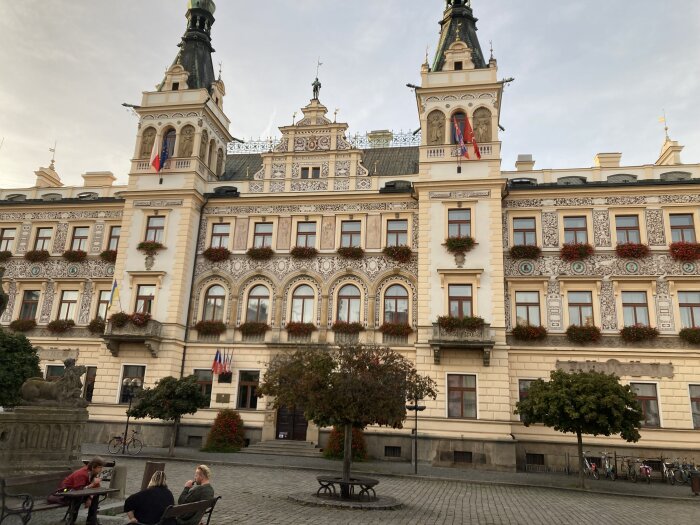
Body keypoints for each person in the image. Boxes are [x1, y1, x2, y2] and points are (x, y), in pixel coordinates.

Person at [49, 456, 105, 525]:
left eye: (101, 467)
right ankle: (72, 520)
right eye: (100, 467)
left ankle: (91, 521)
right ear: (93, 467)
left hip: (75, 493)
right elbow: (79, 490)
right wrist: (92, 484)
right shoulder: (82, 474)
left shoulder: (93, 473)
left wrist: (90, 498)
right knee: (78, 497)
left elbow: (95, 489)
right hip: (64, 493)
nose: (101, 469)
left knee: (95, 497)